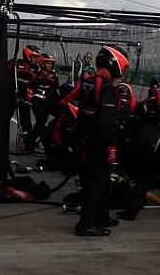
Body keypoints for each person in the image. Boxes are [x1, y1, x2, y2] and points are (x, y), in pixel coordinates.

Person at [61, 45, 132, 236]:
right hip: (99, 142)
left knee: (95, 180)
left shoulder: (87, 82)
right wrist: (111, 146)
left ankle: (101, 216)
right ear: (115, 64)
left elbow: (66, 101)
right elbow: (107, 121)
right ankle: (87, 223)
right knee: (97, 182)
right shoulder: (108, 89)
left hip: (84, 138)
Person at [8, 44, 42, 146]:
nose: (36, 59)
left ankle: (28, 142)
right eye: (35, 57)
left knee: (26, 120)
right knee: (5, 116)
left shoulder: (36, 69)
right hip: (12, 93)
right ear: (28, 55)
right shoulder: (16, 63)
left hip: (25, 96)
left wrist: (30, 93)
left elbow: (36, 84)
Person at [27, 53, 60, 152]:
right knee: (41, 122)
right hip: (37, 101)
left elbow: (56, 89)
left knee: (59, 116)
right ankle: (45, 145)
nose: (50, 65)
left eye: (51, 63)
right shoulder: (36, 74)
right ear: (42, 63)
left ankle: (30, 141)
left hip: (48, 101)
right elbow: (30, 86)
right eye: (47, 63)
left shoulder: (54, 75)